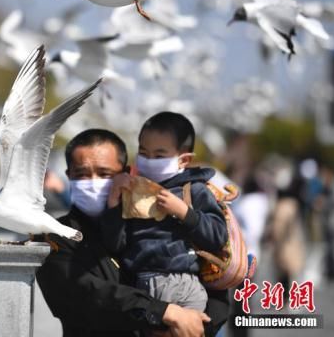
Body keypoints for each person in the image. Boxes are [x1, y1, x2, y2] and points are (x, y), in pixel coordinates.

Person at [36, 128, 227, 337]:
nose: (92, 182)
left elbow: (214, 285)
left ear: (125, 174)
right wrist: (163, 314)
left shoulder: (156, 223)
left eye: (104, 174)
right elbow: (81, 294)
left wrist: (197, 326)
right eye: (81, 174)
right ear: (68, 176)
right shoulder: (54, 235)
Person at [101, 112, 228, 312]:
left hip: (184, 285)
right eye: (143, 153)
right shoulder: (130, 190)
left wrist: (185, 212)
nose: (148, 160)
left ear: (183, 160)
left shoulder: (194, 190)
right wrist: (113, 202)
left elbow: (218, 236)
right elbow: (115, 244)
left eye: (159, 155)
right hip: (140, 287)